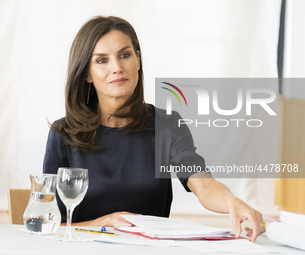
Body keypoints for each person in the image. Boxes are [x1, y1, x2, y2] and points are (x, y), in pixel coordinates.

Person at [43, 16, 265, 242]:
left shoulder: (166, 124)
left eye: (125, 55)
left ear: (137, 60)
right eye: (102, 60)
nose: (117, 68)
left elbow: (203, 184)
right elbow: (49, 224)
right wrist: (103, 224)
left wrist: (233, 203)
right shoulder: (63, 134)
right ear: (87, 73)